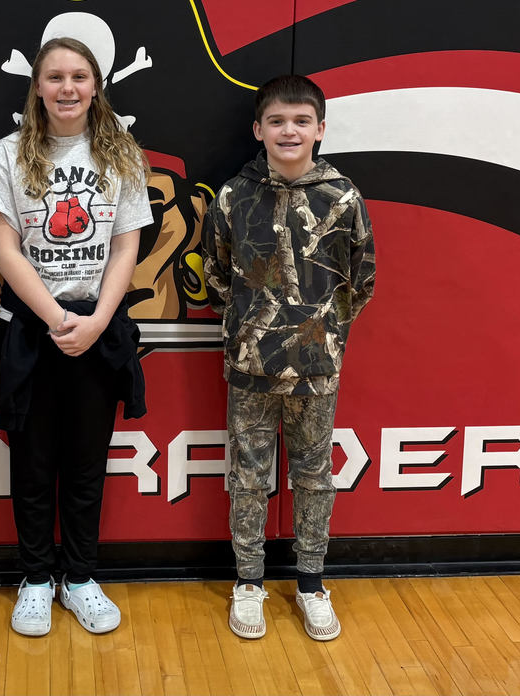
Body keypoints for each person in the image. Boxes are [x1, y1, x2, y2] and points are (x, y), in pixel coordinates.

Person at [0, 37, 152, 636]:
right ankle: (34, 578)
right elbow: (3, 246)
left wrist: (100, 318)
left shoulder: (120, 152)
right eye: (55, 77)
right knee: (31, 464)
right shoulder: (7, 154)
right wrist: (55, 317)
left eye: (79, 76)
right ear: (37, 87)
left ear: (97, 85)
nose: (68, 88)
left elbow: (128, 241)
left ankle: (78, 577)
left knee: (85, 464)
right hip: (31, 330)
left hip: (97, 329)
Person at [201, 74, 375, 642]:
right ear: (258, 129)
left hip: (317, 367)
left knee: (314, 477)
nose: (289, 130)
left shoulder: (342, 197)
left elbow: (362, 278)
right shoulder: (233, 196)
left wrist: (323, 329)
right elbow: (217, 271)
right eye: (277, 121)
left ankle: (310, 585)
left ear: (320, 128)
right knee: (248, 477)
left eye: (302, 121)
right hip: (250, 365)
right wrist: (255, 322)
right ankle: (248, 582)